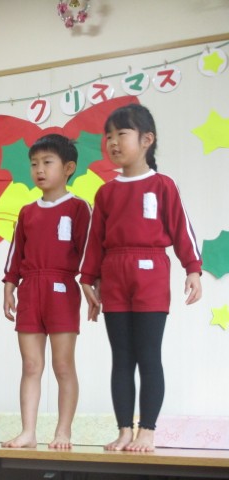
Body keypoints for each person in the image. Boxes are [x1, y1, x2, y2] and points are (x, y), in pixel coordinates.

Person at [80, 104, 202, 453]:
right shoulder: (106, 192)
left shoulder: (163, 185)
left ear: (147, 140)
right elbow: (95, 241)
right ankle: (124, 431)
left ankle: (147, 431)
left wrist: (193, 269)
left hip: (151, 272)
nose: (113, 142)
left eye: (121, 134)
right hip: (114, 274)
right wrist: (87, 279)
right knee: (121, 358)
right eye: (108, 136)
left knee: (148, 355)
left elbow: (182, 230)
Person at [2, 134, 91, 449]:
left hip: (62, 290)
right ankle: (28, 432)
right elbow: (15, 254)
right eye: (34, 164)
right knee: (30, 366)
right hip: (30, 290)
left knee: (63, 365)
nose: (39, 169)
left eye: (47, 162)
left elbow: (89, 253)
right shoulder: (27, 211)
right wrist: (9, 287)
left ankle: (63, 431)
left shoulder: (79, 208)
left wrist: (92, 285)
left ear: (68, 168)